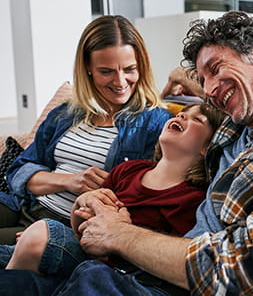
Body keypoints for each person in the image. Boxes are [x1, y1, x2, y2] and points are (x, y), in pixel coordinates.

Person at [0, 11, 253, 295]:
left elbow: (252, 271)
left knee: (89, 276)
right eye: (203, 80)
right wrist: (94, 213)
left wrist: (118, 235)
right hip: (143, 269)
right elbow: (195, 111)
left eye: (215, 70)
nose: (209, 88)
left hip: (172, 282)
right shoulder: (236, 128)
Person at [0, 103, 225, 282]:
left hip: (116, 269)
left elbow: (166, 259)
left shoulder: (192, 199)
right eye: (183, 114)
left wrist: (122, 230)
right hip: (81, 245)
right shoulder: (128, 170)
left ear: (208, 147)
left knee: (39, 234)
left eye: (197, 119)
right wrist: (83, 201)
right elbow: (82, 224)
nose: (182, 117)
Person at [0, 15, 173, 245]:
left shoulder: (155, 123)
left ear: (142, 67)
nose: (120, 81)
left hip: (66, 226)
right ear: (88, 69)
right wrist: (70, 181)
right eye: (106, 71)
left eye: (129, 69)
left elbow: (147, 200)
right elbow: (19, 171)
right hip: (25, 206)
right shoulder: (66, 114)